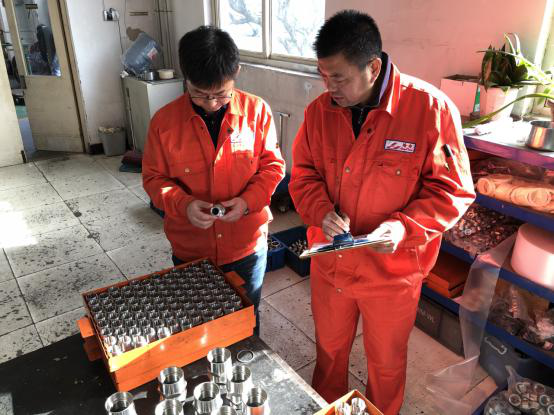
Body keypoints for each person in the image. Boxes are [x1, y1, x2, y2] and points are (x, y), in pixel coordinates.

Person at [289, 10, 475, 415]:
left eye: (339, 77)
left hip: (392, 274)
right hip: (332, 264)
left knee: (386, 364)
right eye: (323, 75)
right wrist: (320, 211)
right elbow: (302, 175)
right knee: (329, 353)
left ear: (373, 67)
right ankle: (328, 408)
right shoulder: (320, 112)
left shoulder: (430, 110)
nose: (329, 87)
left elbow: (453, 190)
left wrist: (403, 228)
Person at [142, 26, 285, 334]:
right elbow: (154, 178)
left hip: (246, 246)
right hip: (191, 250)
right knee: (199, 325)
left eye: (221, 94)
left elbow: (273, 166)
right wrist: (183, 204)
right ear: (186, 78)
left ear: (236, 73)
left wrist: (246, 202)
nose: (211, 103)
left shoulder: (257, 112)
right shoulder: (164, 123)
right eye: (199, 94)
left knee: (246, 320)